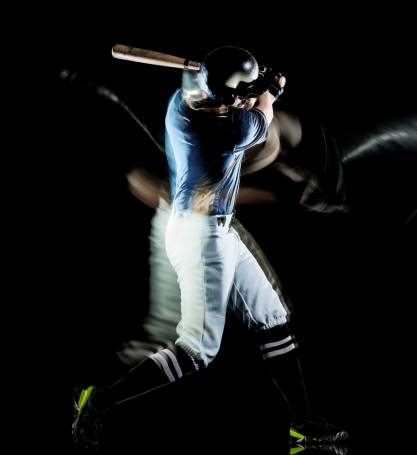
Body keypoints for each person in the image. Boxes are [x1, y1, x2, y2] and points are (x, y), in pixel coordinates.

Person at [71, 46, 349, 451]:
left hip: (216, 231)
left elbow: (236, 98)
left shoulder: (184, 100)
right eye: (239, 96)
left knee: (272, 318)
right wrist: (270, 89)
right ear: (228, 99)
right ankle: (99, 401)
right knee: (197, 350)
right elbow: (263, 112)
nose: (245, 99)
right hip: (200, 240)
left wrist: (245, 86)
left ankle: (304, 426)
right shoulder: (229, 131)